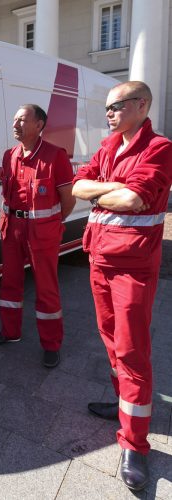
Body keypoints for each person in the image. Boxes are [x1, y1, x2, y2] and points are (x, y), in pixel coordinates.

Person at [72, 81, 172, 491]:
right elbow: (77, 186)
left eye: (116, 106)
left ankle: (135, 444)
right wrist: (111, 189)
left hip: (132, 267)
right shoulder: (110, 146)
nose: (108, 113)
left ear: (141, 105)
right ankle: (122, 406)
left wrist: (105, 191)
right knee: (111, 341)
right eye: (107, 107)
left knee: (132, 350)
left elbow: (136, 200)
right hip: (100, 259)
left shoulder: (159, 147)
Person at [0, 104, 75, 368]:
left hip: (42, 234)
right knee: (10, 283)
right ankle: (10, 332)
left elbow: (67, 200)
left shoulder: (55, 156)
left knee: (46, 289)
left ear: (39, 125)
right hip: (12, 229)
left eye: (22, 120)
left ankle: (51, 344)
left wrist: (53, 223)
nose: (15, 124)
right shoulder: (9, 155)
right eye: (14, 119)